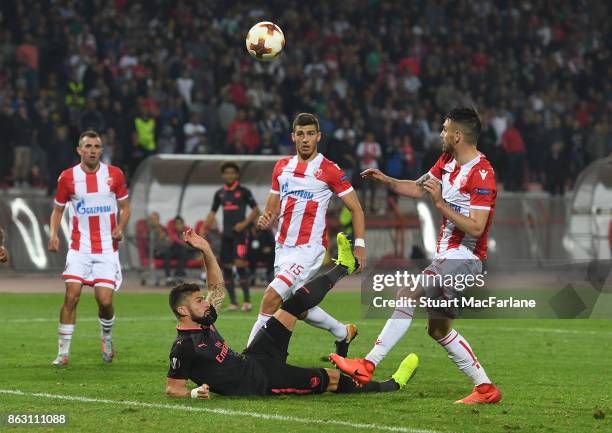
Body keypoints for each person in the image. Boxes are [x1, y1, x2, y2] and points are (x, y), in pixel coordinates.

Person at [330, 108, 502, 404]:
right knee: (438, 329)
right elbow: (417, 187)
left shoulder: (482, 173)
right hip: (448, 256)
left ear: (458, 135)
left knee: (408, 290)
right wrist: (387, 180)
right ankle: (486, 389)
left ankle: (367, 364)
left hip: (467, 258)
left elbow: (477, 227)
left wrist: (440, 203)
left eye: (445, 129)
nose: (440, 134)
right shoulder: (447, 161)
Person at [166, 229, 419, 398]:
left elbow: (217, 288)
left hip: (254, 358)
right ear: (182, 310)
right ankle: (391, 385)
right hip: (260, 381)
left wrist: (206, 249)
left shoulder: (204, 321)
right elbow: (172, 388)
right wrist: (193, 393)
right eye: (199, 301)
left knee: (293, 305)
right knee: (328, 378)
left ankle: (344, 266)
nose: (206, 303)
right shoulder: (183, 347)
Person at [248, 113, 366, 358]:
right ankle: (343, 332)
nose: (305, 139)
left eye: (310, 133)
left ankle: (248, 359)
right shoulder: (281, 167)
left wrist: (360, 246)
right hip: (283, 247)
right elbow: (271, 206)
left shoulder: (329, 170)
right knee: (296, 307)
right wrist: (266, 217)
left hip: (308, 249)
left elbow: (356, 208)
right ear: (293, 137)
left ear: (318, 136)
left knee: (270, 297)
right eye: (300, 134)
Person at [48, 130, 131, 366]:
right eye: (88, 146)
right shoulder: (67, 177)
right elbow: (58, 209)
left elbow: (125, 207)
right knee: (71, 295)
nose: (93, 150)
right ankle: (63, 353)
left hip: (107, 249)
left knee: (104, 301)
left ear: (101, 150)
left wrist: (120, 227)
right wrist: (53, 234)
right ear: (79, 150)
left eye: (97, 146)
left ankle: (106, 337)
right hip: (79, 247)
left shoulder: (114, 174)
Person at [199, 162, 260, 311]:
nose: (229, 175)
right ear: (223, 175)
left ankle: (247, 301)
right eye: (226, 173)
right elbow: (212, 212)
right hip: (226, 235)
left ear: (237, 175)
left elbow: (256, 210)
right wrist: (203, 227)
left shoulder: (244, 191)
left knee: (239, 265)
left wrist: (244, 224)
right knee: (226, 268)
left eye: (232, 173)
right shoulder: (220, 193)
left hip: (240, 235)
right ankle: (233, 302)